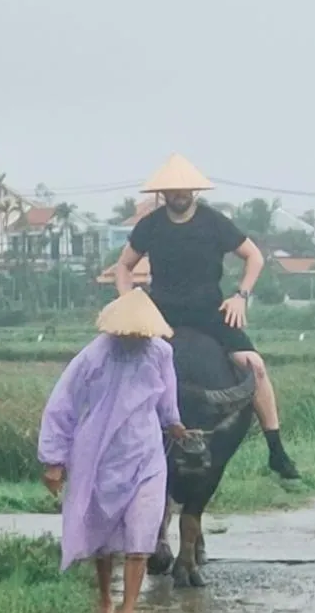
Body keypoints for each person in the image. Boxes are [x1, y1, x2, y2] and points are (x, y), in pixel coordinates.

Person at [115, 153, 300, 480]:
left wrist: (240, 296)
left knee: (254, 366)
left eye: (184, 189)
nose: (179, 194)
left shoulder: (213, 222)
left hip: (209, 311)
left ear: (194, 191)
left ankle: (276, 447)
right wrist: (129, 303)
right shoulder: (151, 225)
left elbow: (253, 257)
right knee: (116, 364)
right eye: (172, 190)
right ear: (163, 194)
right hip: (160, 314)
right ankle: (108, 442)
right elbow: (124, 266)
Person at [38, 288, 186, 613]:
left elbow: (167, 400)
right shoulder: (94, 356)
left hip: (147, 450)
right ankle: (105, 603)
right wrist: (54, 459)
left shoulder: (161, 353)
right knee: (102, 532)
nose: (136, 338)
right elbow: (62, 405)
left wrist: (175, 424)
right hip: (100, 450)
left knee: (143, 530)